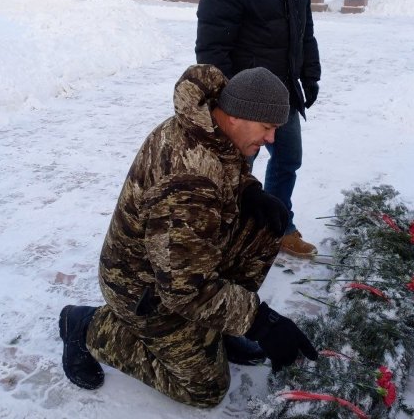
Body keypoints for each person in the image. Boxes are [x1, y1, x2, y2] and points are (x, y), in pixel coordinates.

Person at [58, 64, 318, 408]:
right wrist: (260, 323)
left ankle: (215, 329)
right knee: (206, 389)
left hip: (178, 262)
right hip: (142, 287)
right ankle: (87, 327)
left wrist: (249, 191)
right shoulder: (188, 183)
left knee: (265, 226)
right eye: (267, 127)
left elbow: (226, 168)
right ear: (237, 116)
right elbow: (184, 290)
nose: (271, 139)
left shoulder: (212, 128)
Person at [195, 0, 322, 258]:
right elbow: (211, 49)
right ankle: (231, 237)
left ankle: (278, 225)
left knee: (288, 160)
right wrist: (231, 102)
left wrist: (309, 73)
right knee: (237, 172)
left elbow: (304, 28)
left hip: (282, 91)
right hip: (245, 100)